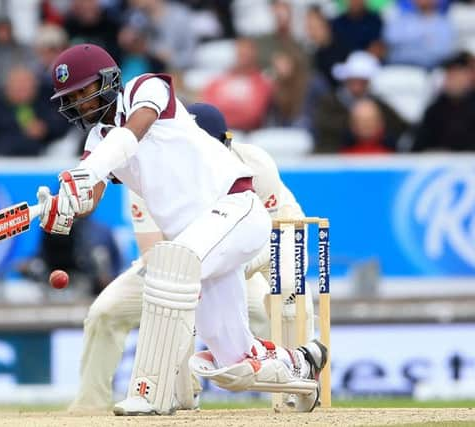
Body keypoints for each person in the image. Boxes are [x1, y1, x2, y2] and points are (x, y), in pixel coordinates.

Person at [36, 43, 327, 416]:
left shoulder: (145, 88)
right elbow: (89, 196)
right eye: (71, 98)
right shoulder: (96, 142)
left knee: (169, 268)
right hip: (202, 240)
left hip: (235, 210)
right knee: (234, 365)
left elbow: (130, 137)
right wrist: (64, 205)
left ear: (108, 81)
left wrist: (84, 174)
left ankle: (149, 392)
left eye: (84, 93)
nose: (80, 105)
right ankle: (303, 365)